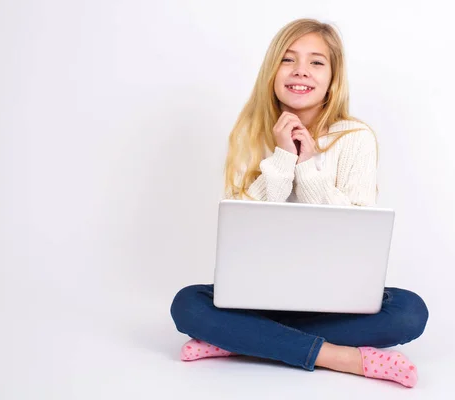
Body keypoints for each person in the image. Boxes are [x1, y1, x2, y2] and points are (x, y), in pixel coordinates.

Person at [170, 18, 429, 388]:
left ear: (333, 78)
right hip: (257, 294)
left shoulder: (356, 138)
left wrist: (307, 167)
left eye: (316, 62)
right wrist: (280, 158)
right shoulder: (248, 134)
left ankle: (239, 339)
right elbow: (244, 229)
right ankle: (340, 357)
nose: (301, 71)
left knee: (409, 313)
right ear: (272, 71)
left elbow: (353, 234)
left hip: (334, 299)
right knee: (187, 304)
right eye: (288, 60)